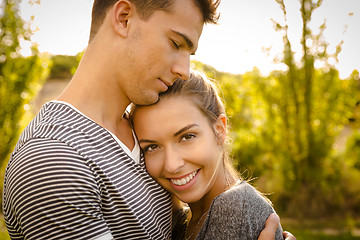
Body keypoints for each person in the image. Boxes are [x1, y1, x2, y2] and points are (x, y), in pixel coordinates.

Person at [2, 0, 294, 239]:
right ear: (124, 18)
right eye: (176, 43)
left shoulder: (140, 134)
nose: (184, 69)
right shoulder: (54, 159)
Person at [130, 71, 295, 240]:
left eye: (187, 137)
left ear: (219, 130)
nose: (172, 164)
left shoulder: (234, 205)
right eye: (152, 147)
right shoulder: (181, 223)